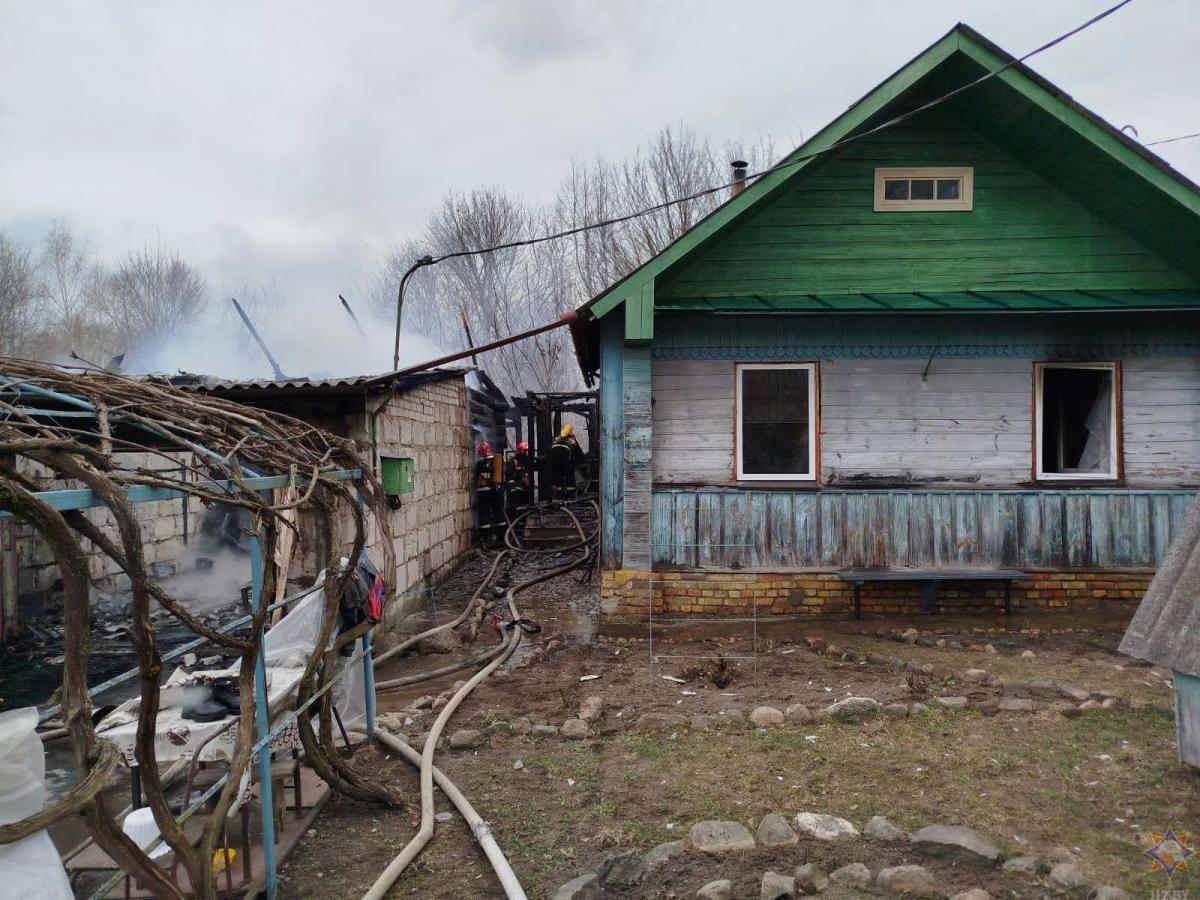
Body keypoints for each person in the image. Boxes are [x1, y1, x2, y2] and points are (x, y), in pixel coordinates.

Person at [473, 441, 503, 546]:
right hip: (494, 492)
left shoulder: (479, 464)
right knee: (498, 513)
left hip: (483, 494)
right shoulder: (494, 461)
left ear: (480, 452)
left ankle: (487, 539)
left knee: (484, 516)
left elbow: (475, 479)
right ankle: (501, 537)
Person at [549, 424, 584, 501]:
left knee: (558, 476)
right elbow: (578, 452)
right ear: (570, 431)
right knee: (569, 476)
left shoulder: (556, 439)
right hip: (567, 460)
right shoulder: (572, 440)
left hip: (554, 460)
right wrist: (582, 460)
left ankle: (559, 495)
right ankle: (570, 495)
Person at [504, 441, 532, 519]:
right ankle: (514, 527)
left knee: (524, 510)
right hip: (515, 491)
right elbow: (508, 476)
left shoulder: (527, 461)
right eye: (525, 451)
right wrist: (516, 484)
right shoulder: (514, 461)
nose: (527, 452)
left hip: (524, 490)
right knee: (513, 509)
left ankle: (521, 526)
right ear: (521, 451)